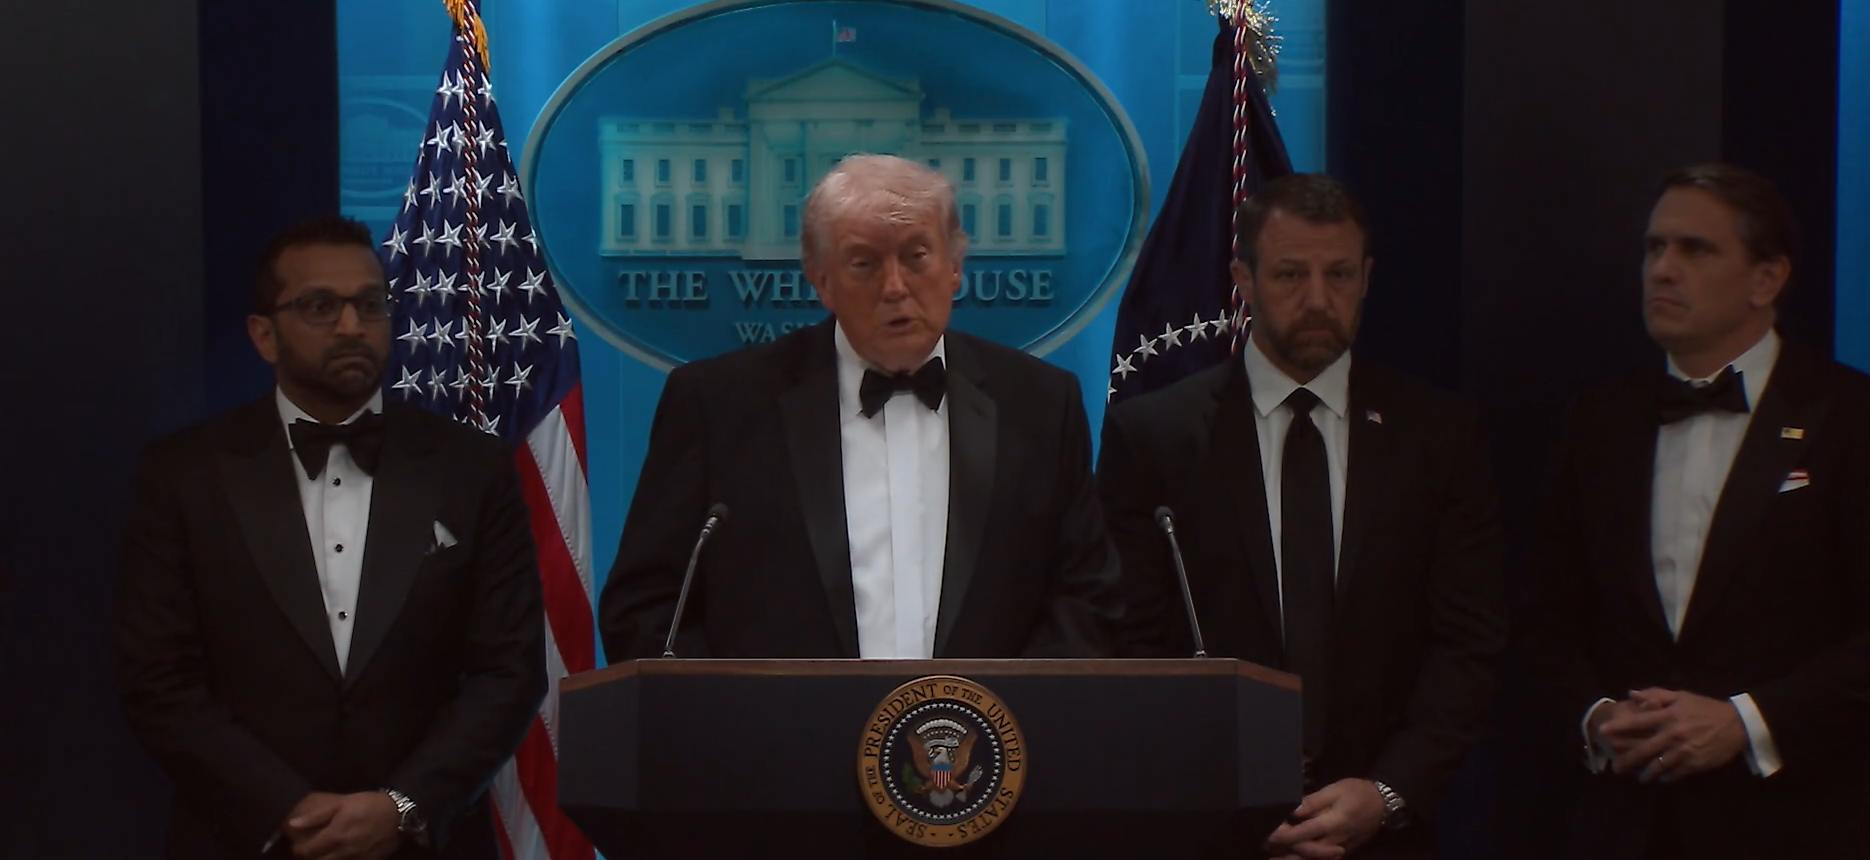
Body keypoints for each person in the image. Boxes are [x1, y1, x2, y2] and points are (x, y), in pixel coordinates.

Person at [1099, 174, 1507, 859]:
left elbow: (1468, 642)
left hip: (1387, 833)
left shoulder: (1438, 436)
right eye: (1291, 274)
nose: (1318, 299)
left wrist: (1387, 792)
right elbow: (1128, 640)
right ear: (1244, 280)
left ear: (1366, 278)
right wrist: (1228, 791)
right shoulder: (1155, 437)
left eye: (1339, 275)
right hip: (1209, 829)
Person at [114, 216, 546, 859]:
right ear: (264, 335)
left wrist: (402, 807)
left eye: (370, 305)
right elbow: (157, 679)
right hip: (242, 840)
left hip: (423, 845)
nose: (351, 326)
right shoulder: (184, 475)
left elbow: (508, 672)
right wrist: (285, 809)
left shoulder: (472, 469)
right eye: (321, 306)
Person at [600, 154, 1119, 661]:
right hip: (775, 722)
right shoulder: (719, 406)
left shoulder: (1040, 404)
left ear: (955, 266)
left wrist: (1008, 710)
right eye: (864, 263)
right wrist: (737, 711)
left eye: (916, 256)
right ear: (821, 280)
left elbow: (1087, 599)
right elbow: (647, 610)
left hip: (986, 721)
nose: (895, 288)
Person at [1524, 163, 1870, 859]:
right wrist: (1596, 717)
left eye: (1695, 249)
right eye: (1654, 248)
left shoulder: (1850, 418)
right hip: (1622, 822)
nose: (1663, 269)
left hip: (1796, 820)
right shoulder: (1599, 424)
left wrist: (1746, 722)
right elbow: (1545, 619)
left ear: (1766, 279)